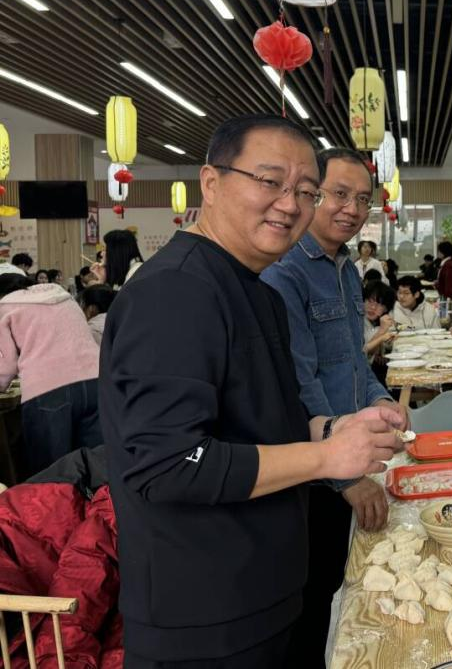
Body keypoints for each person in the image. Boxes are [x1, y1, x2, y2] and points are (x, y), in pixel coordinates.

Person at [99, 115, 403, 668]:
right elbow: (167, 463)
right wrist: (326, 457)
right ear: (211, 183)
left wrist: (335, 429)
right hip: (205, 619)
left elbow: (264, 422)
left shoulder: (254, 290)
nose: (289, 204)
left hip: (266, 593)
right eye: (269, 181)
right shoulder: (174, 291)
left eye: (304, 191)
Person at [262, 147, 407, 666]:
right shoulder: (285, 273)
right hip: (310, 472)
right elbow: (298, 385)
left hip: (350, 456)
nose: (352, 209)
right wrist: (345, 478)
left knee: (335, 588)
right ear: (310, 193)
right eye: (339, 194)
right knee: (305, 601)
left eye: (363, 199)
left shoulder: (345, 270)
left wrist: (382, 400)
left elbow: (352, 361)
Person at [0, 273, 101, 476]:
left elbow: (7, 366)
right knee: (95, 464)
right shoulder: (64, 297)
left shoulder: (5, 307)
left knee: (52, 472)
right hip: (96, 382)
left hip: (49, 391)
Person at [362, 280, 397, 357]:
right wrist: (382, 331)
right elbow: (363, 353)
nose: (372, 307)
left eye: (379, 304)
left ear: (385, 309)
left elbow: (389, 346)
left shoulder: (385, 320)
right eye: (369, 301)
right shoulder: (357, 322)